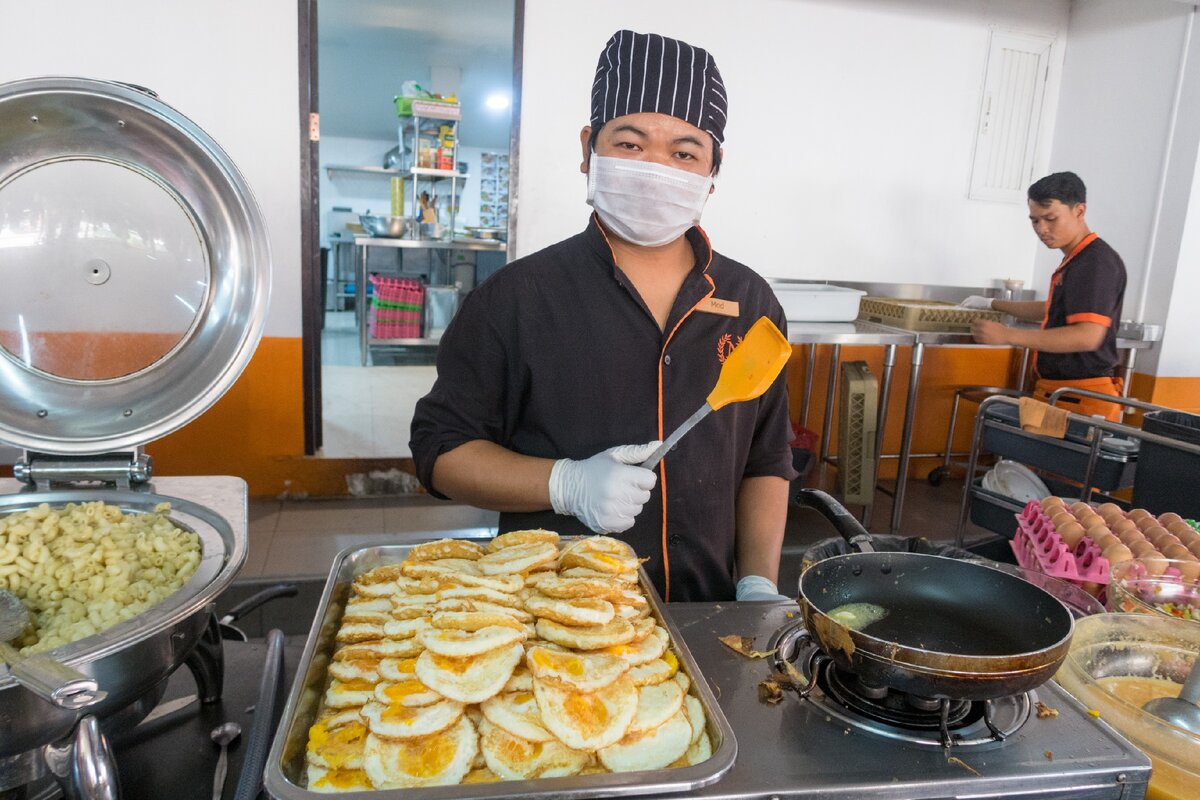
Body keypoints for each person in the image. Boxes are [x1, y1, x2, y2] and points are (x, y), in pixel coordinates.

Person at [410, 29, 797, 603]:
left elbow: (766, 461)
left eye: (684, 151)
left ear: (713, 168)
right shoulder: (516, 297)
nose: (656, 167)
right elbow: (441, 451)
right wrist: (563, 483)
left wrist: (758, 581)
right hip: (554, 610)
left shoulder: (751, 302)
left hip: (708, 610)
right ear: (589, 146)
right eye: (631, 143)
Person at [964, 172, 1127, 421]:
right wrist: (993, 303)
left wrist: (1009, 336)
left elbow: (1087, 336)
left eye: (1050, 218)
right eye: (1035, 221)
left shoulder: (1094, 263)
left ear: (1079, 211)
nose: (1042, 229)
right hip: (1058, 392)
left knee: (1051, 458)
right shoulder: (1075, 259)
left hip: (1079, 398)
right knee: (1031, 458)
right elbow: (1052, 309)